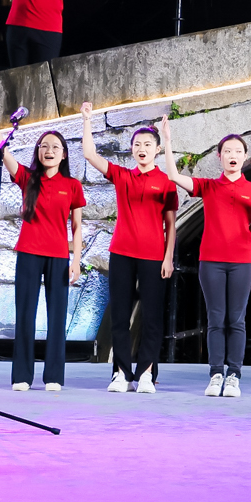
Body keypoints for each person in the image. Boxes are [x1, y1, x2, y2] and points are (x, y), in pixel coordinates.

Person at [0, 105, 86, 392]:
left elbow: (77, 226)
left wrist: (76, 260)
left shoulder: (72, 186)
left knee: (57, 317)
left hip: (58, 256)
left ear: (64, 154)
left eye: (55, 147)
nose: (48, 151)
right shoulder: (29, 179)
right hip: (29, 252)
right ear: (38, 152)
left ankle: (53, 376)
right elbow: (4, 155)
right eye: (43, 146)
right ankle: (22, 376)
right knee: (25, 314)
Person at [79, 103, 178, 394]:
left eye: (147, 144)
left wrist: (168, 257)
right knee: (120, 316)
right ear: (132, 150)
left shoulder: (166, 182)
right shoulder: (123, 176)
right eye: (137, 145)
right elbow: (90, 155)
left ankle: (146, 372)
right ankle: (121, 373)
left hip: (153, 256)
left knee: (152, 317)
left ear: (157, 150)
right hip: (121, 253)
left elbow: (171, 225)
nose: (142, 149)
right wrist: (87, 120)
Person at [162, 126, 251, 397]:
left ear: (244, 157)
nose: (233, 155)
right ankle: (216, 373)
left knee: (237, 319)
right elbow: (173, 176)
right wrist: (168, 141)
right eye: (227, 151)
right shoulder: (208, 186)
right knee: (216, 318)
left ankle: (234, 375)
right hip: (211, 262)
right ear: (219, 156)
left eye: (238, 151)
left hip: (243, 262)